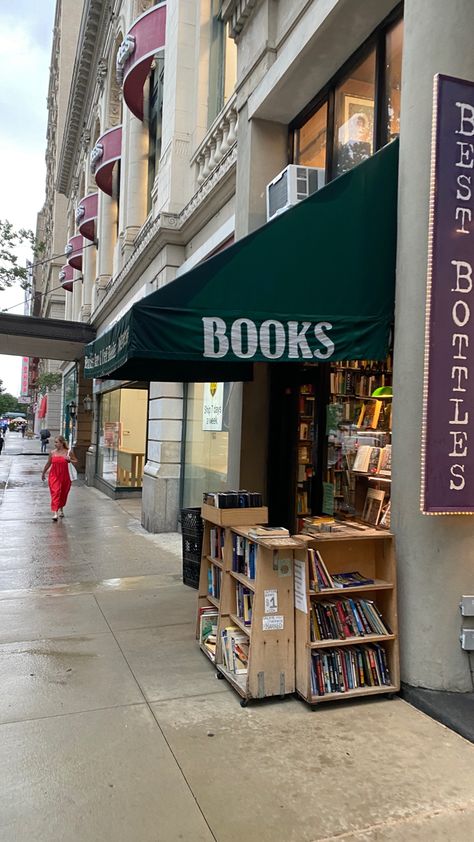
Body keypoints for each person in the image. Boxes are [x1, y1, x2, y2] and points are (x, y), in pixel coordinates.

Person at [41, 435, 78, 521]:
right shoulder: (52, 453)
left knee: (63, 493)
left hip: (65, 476)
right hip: (54, 475)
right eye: (55, 442)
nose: (55, 444)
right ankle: (55, 512)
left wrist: (70, 460)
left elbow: (76, 461)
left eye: (57, 442)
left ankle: (61, 508)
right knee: (56, 492)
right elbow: (48, 463)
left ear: (62, 443)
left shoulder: (68, 452)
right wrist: (43, 473)